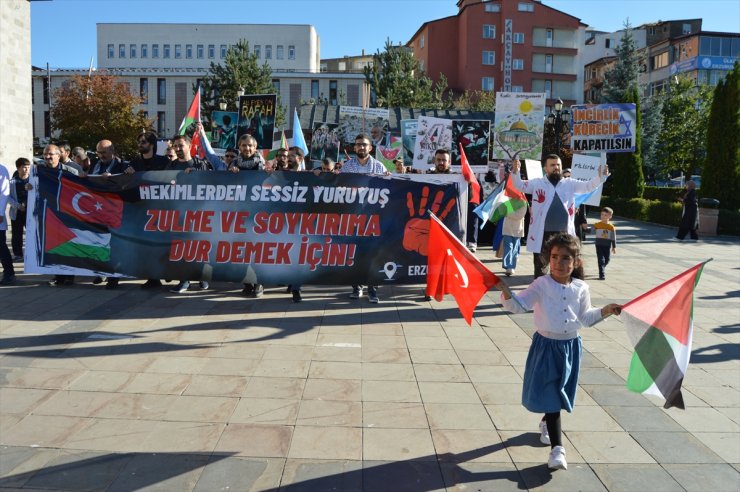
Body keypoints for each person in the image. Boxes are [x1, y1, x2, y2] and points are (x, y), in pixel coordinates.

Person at [501, 233, 621, 471]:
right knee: (552, 395)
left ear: (576, 262)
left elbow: (585, 319)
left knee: (559, 392)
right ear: (549, 259)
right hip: (546, 347)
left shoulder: (581, 287)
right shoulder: (541, 284)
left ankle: (547, 421)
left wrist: (605, 311)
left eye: (565, 258)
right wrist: (504, 290)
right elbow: (518, 305)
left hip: (571, 347)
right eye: (554, 257)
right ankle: (558, 449)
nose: (559, 262)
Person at [511, 155, 608, 278]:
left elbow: (588, 186)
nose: (556, 167)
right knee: (541, 266)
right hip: (543, 233)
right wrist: (516, 171)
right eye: (552, 165)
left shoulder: (570, 183)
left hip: (564, 234)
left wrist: (600, 176)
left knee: (564, 264)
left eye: (558, 165)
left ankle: (562, 288)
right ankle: (541, 289)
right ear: (545, 168)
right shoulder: (538, 183)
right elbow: (519, 185)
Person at [341, 133, 388, 303]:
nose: (361, 147)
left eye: (364, 144)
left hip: (373, 218)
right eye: (358, 144)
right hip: (353, 217)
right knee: (354, 253)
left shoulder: (379, 167)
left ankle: (372, 289)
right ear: (354, 147)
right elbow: (341, 190)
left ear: (370, 148)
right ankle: (356, 286)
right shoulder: (346, 167)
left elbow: (386, 189)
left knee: (372, 254)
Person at [35, 144, 83, 286]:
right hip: (49, 213)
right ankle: (58, 275)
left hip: (67, 213)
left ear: (58, 155)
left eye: (50, 154)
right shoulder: (38, 171)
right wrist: (29, 186)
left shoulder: (70, 171)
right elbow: (32, 186)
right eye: (45, 154)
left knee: (69, 244)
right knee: (54, 244)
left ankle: (70, 275)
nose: (47, 157)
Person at [9, 158, 31, 261]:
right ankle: (18, 254)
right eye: (24, 167)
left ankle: (32, 254)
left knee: (31, 233)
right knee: (16, 234)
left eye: (28, 167)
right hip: (16, 211)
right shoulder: (12, 182)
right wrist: (18, 205)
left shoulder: (33, 181)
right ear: (18, 168)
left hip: (30, 212)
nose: (26, 169)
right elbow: (7, 197)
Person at [502, 201, 528, 276]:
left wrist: (508, 212)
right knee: (508, 247)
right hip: (507, 228)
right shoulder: (507, 200)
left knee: (515, 249)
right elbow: (503, 211)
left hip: (517, 229)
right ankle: (507, 266)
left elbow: (518, 216)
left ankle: (511, 266)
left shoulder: (523, 202)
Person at [0, 164, 16, 285]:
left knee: (0, 246)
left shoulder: (1, 169)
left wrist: (0, 212)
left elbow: (4, 192)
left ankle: (9, 273)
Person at [593, 207, 616, 280]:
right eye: (602, 214)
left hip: (607, 246)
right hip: (598, 245)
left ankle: (602, 267)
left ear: (610, 216)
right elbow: (590, 230)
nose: (603, 216)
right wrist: (584, 228)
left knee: (607, 259)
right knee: (601, 260)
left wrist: (614, 247)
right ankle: (601, 274)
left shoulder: (611, 227)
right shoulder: (597, 225)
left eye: (605, 215)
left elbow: (613, 237)